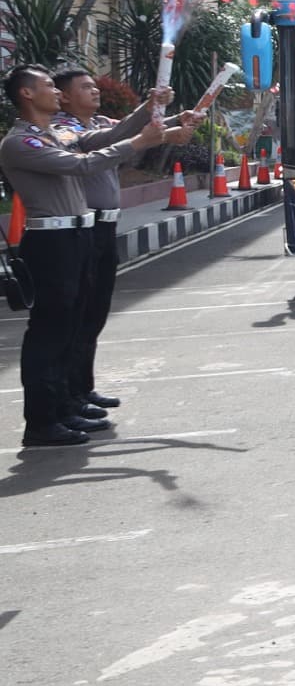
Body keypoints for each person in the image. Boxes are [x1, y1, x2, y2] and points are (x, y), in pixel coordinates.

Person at [2, 68, 166, 448]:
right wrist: (139, 141)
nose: (55, 92)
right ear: (26, 94)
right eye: (48, 86)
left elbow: (104, 138)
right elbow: (83, 164)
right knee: (49, 333)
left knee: (71, 328)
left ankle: (64, 406)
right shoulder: (21, 142)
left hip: (75, 237)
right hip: (51, 242)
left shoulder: (56, 135)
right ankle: (41, 422)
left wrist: (151, 110)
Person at [54, 67, 209, 428]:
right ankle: (69, 395)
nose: (95, 91)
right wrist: (150, 107)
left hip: (106, 226)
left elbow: (136, 133)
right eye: (85, 87)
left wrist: (178, 121)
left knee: (95, 312)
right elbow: (115, 137)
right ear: (64, 97)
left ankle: (83, 388)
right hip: (83, 227)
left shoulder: (100, 121)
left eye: (94, 85)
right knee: (78, 315)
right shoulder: (64, 129)